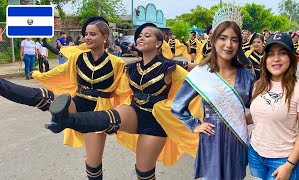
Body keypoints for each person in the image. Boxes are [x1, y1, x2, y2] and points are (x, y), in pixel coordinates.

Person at [45, 22, 202, 179]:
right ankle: (65, 119)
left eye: (147, 36)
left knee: (144, 172)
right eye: (139, 36)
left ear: (159, 43)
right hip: (134, 112)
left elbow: (195, 88)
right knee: (110, 117)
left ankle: (66, 119)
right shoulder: (130, 68)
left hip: (155, 120)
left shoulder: (170, 68)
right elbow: (116, 91)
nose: (141, 38)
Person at [0, 16, 128, 180]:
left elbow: (124, 90)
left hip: (99, 111)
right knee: (47, 99)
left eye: (92, 34)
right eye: (86, 34)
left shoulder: (117, 63)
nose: (87, 37)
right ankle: (3, 87)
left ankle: (61, 119)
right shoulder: (78, 58)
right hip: (78, 101)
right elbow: (59, 72)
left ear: (104, 37)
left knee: (93, 162)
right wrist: (40, 74)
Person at [171, 5, 255, 180]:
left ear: (239, 43)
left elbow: (256, 107)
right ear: (214, 40)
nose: (228, 45)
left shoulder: (247, 75)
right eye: (223, 38)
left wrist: (243, 120)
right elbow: (178, 106)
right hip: (212, 139)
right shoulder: (201, 73)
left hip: (236, 140)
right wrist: (195, 125)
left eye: (234, 40)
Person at [246, 32, 299, 180]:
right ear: (265, 59)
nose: (276, 59)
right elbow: (257, 115)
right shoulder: (258, 85)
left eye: (282, 53)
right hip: (255, 154)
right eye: (271, 54)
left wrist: (289, 164)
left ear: (291, 57)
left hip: (282, 160)